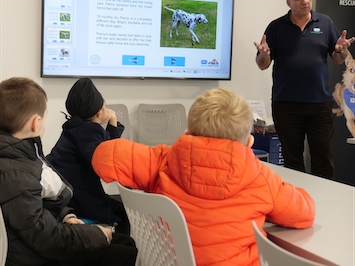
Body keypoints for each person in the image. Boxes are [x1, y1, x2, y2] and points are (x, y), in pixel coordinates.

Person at [92, 88, 315, 266]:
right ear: (248, 143)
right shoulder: (261, 178)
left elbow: (103, 155)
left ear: (187, 134)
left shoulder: (163, 161)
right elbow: (304, 213)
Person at [0, 77, 137, 266]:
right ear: (36, 123)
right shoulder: (17, 173)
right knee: (125, 248)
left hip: (42, 235)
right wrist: (98, 235)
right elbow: (46, 238)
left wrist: (66, 215)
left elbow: (35, 204)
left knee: (123, 243)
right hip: (35, 254)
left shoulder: (20, 159)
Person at [254, 0, 355, 179]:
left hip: (319, 105)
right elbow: (262, 65)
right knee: (292, 161)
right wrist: (264, 54)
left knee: (323, 159)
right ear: (288, 3)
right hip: (286, 105)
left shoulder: (325, 23)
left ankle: (322, 203)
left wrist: (341, 50)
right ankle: (295, 205)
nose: (305, 1)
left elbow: (337, 58)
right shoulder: (276, 27)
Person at [47, 77, 129, 233]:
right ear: (99, 113)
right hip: (80, 200)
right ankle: (121, 246)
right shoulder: (89, 130)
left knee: (117, 207)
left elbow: (104, 150)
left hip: (64, 195)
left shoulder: (73, 127)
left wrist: (111, 125)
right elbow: (106, 161)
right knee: (123, 214)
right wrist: (112, 124)